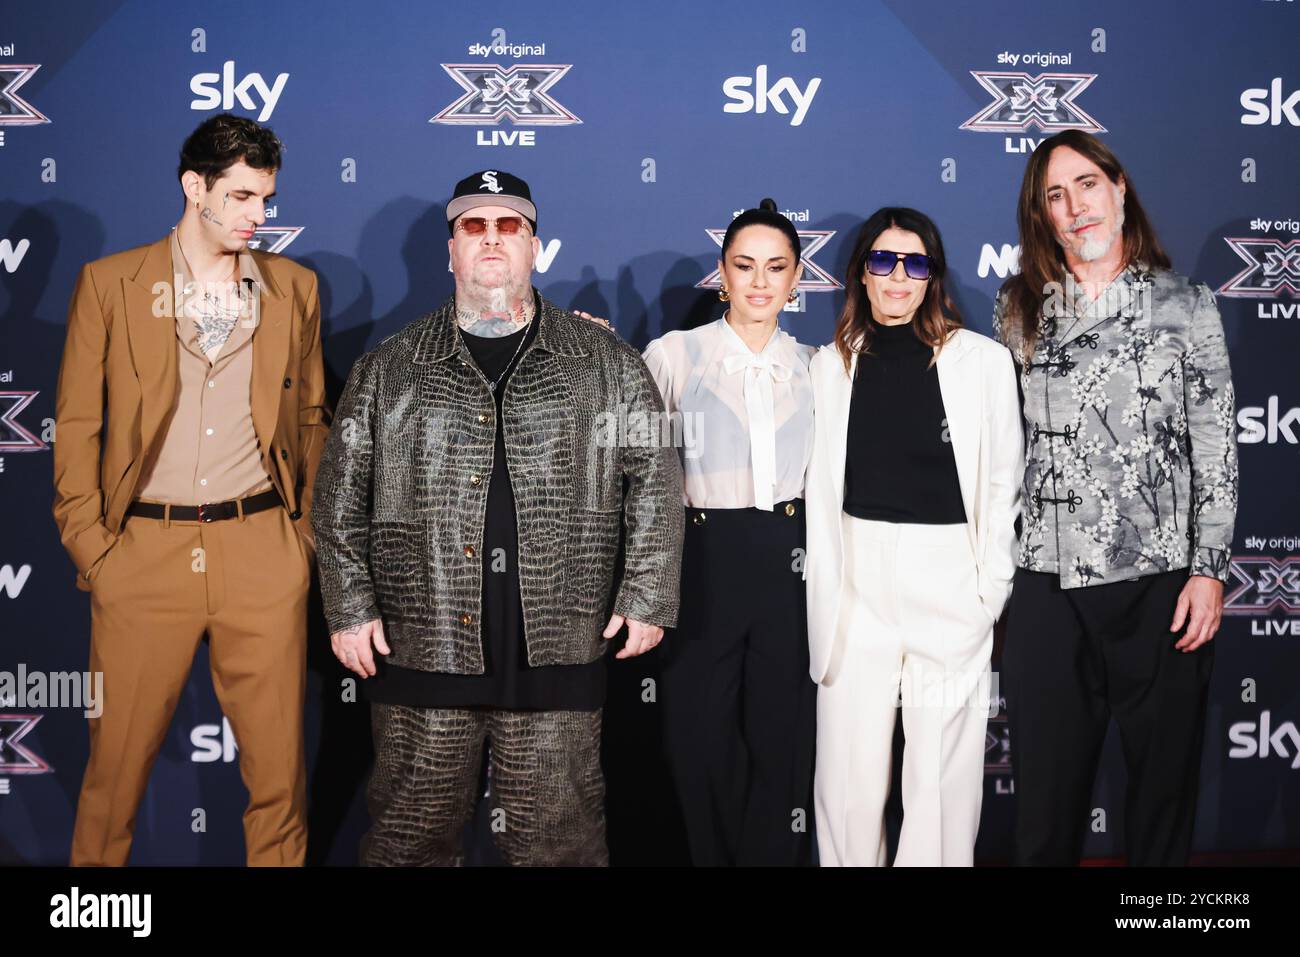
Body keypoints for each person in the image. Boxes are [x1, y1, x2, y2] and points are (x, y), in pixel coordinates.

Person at [312, 169, 683, 866]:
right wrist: (349, 608)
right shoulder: (389, 368)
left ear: (534, 246)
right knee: (407, 846)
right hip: (420, 656)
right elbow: (337, 501)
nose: (491, 238)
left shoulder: (605, 362)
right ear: (449, 250)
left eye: (508, 225)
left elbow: (656, 483)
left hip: (560, 655)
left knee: (560, 849)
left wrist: (646, 595)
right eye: (473, 226)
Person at [52, 113, 328, 866]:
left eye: (265, 198)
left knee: (279, 779)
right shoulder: (110, 284)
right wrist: (95, 550)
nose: (258, 216)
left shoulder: (294, 288)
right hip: (143, 554)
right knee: (112, 776)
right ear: (192, 186)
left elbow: (310, 418)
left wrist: (299, 544)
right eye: (240, 197)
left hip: (262, 550)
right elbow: (75, 425)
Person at [993, 131, 1238, 866]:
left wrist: (1209, 569)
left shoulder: (1186, 305)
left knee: (1161, 799)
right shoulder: (1019, 308)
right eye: (1055, 196)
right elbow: (1001, 448)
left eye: (1087, 185)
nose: (1075, 207)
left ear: (1120, 187)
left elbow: (1217, 445)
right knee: (1045, 804)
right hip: (1048, 585)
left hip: (1160, 585)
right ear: (1042, 216)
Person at [805, 207, 1022, 866]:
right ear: (860, 275)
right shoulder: (827, 366)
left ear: (932, 276)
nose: (898, 275)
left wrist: (988, 592)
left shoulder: (982, 362)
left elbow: (1002, 482)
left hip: (951, 583)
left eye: (915, 262)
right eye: (882, 260)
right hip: (855, 587)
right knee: (847, 777)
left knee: (941, 780)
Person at [642, 199, 817, 866]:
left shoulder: (815, 364)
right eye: (745, 265)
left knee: (781, 739)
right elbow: (641, 468)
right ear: (723, 272)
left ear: (797, 277)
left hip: (791, 566)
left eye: (776, 267)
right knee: (699, 739)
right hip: (701, 560)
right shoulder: (676, 355)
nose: (760, 281)